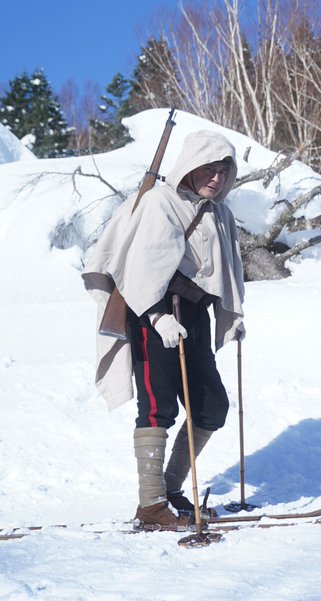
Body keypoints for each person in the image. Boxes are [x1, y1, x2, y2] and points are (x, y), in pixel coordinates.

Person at [84, 130, 246, 531]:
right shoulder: (161, 201)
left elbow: (228, 270)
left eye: (224, 172)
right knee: (158, 407)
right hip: (153, 315)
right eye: (209, 168)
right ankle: (151, 505)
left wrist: (234, 314)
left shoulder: (220, 213)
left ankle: (171, 490)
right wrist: (157, 317)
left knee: (212, 406)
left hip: (193, 316)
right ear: (191, 166)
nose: (217, 178)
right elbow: (141, 267)